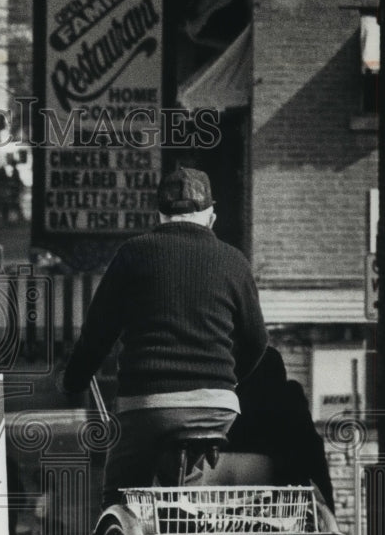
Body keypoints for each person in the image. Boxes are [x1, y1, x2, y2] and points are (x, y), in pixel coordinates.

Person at [61, 167, 268, 507]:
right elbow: (258, 340)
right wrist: (223, 381)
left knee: (121, 496)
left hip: (150, 404)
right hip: (217, 408)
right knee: (182, 498)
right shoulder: (234, 260)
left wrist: (74, 379)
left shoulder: (134, 253)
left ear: (159, 214)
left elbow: (98, 332)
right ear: (211, 215)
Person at [227, 346, 335, 510]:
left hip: (212, 493)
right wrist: (328, 514)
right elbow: (313, 456)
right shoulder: (286, 402)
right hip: (274, 501)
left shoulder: (223, 404)